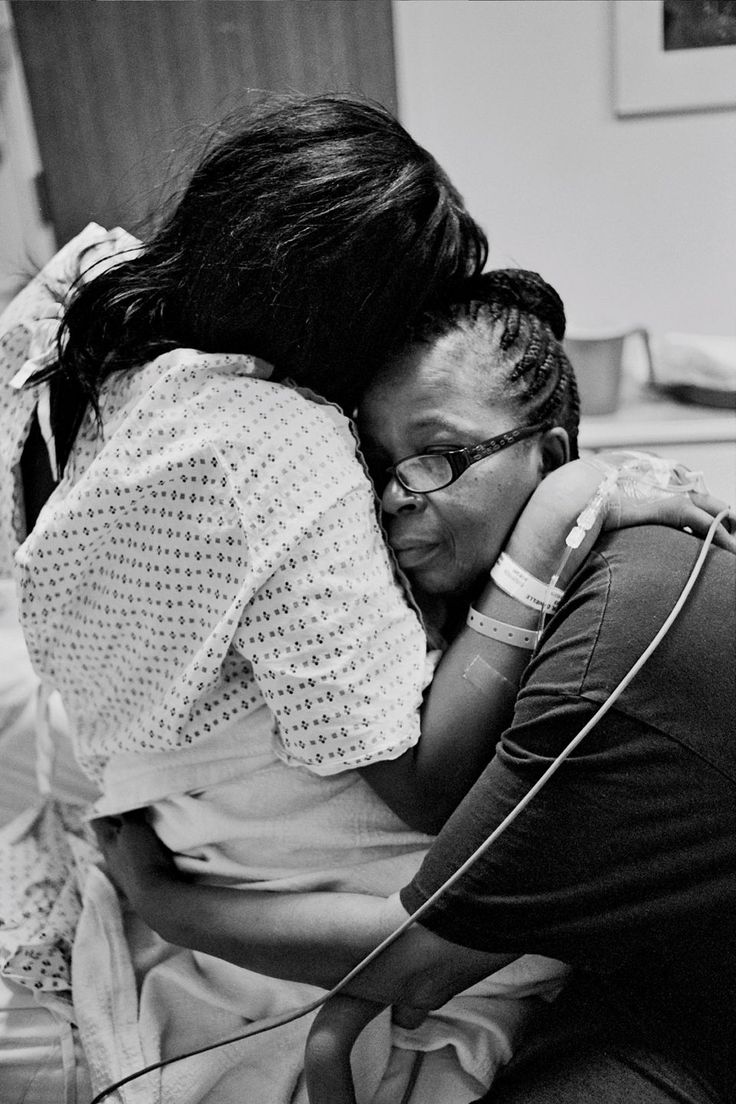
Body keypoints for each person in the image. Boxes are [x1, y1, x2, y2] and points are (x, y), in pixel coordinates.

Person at [95, 271, 736, 1104]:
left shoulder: (608, 659)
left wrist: (158, 899)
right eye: (380, 462)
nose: (398, 496)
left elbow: (415, 954)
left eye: (440, 455)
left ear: (552, 454)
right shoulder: (543, 559)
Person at [0, 92, 506, 1104]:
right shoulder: (278, 446)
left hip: (113, 750)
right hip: (265, 847)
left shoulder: (71, 310)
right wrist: (536, 562)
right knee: (510, 944)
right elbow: (410, 779)